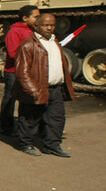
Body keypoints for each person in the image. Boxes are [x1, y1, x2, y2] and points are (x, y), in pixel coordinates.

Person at [13, 13, 75, 157]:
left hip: (55, 89)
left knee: (56, 119)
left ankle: (52, 145)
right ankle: (26, 144)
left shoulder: (55, 43)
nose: (49, 28)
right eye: (45, 25)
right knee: (30, 119)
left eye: (52, 25)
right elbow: (22, 70)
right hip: (37, 89)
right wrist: (32, 89)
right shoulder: (28, 44)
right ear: (36, 26)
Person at [0, 5, 40, 135]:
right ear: (25, 17)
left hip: (29, 71)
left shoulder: (31, 30)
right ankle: (7, 127)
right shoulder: (15, 32)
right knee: (10, 99)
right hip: (14, 71)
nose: (38, 19)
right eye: (35, 17)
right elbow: (13, 53)